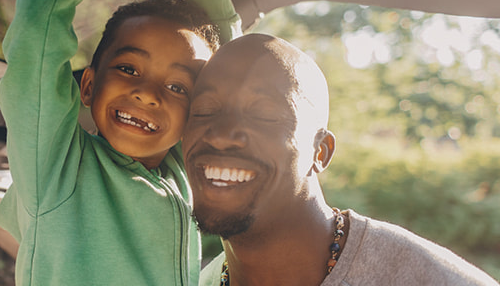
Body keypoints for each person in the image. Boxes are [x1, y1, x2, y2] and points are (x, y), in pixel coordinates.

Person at [0, 0, 241, 284]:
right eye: (128, 69)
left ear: (197, 112)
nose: (147, 94)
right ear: (89, 85)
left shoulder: (178, 170)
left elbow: (232, 78)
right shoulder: (58, 167)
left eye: (178, 87)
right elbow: (34, 52)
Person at [183, 33, 499, 286]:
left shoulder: (425, 278)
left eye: (264, 114)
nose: (221, 134)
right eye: (204, 110)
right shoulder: (194, 280)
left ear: (320, 152)